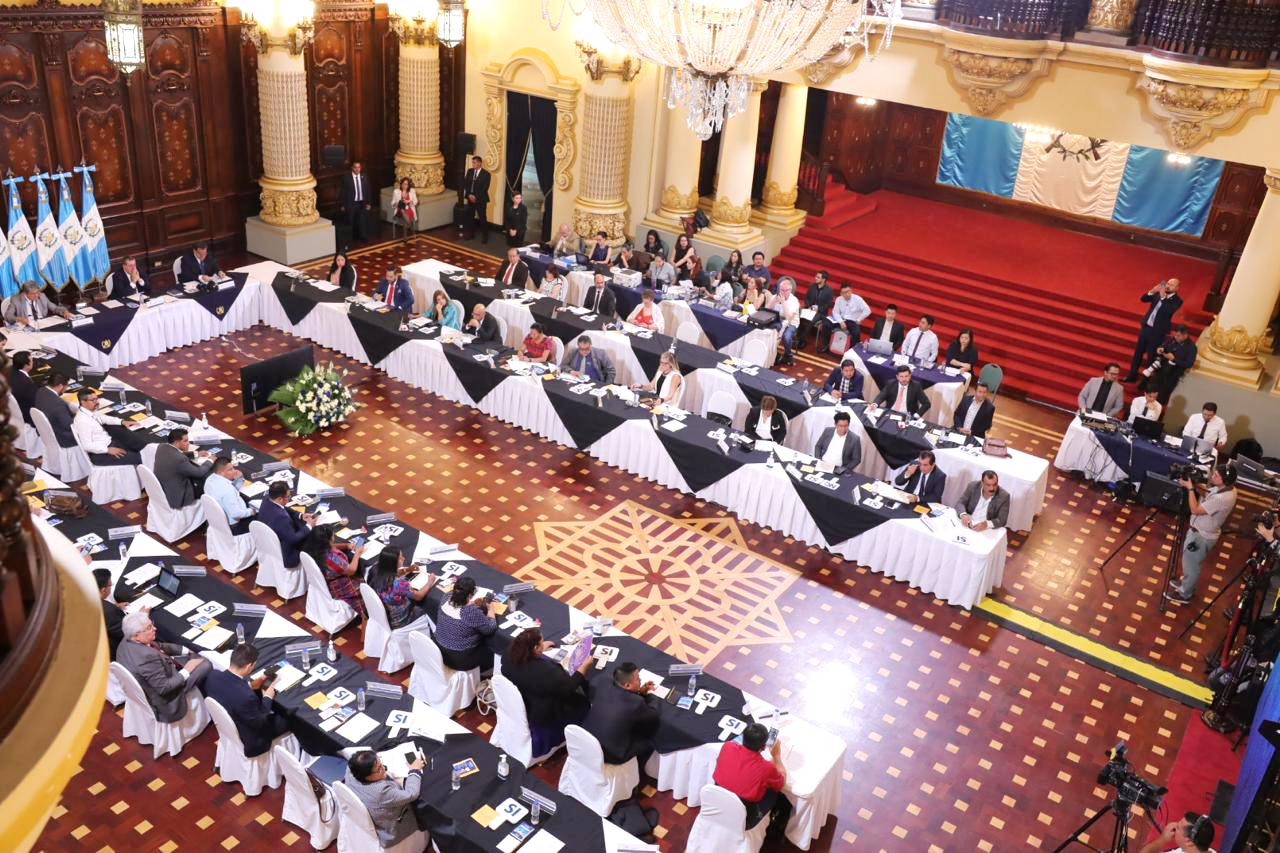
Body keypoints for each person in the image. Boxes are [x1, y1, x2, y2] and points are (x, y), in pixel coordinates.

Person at [502, 627, 591, 751]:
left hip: (524, 700)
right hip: (547, 713)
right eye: (541, 644)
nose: (543, 645)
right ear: (535, 648)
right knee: (583, 703)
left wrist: (540, 649)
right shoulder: (545, 672)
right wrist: (583, 668)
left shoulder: (509, 655)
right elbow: (568, 687)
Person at [116, 611, 212, 722]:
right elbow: (165, 688)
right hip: (168, 698)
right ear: (137, 636)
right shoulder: (145, 658)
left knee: (194, 656)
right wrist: (187, 669)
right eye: (149, 628)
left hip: (159, 675)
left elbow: (158, 646)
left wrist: (185, 650)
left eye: (152, 624)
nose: (155, 628)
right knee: (206, 663)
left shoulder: (127, 639)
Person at [204, 643, 293, 758]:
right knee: (291, 716)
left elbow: (229, 688)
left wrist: (250, 685)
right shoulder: (247, 698)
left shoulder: (213, 676)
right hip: (252, 738)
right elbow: (261, 722)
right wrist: (267, 697)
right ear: (248, 666)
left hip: (229, 724)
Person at [1166, 465, 1237, 605]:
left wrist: (1190, 489)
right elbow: (1207, 494)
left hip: (1201, 536)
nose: (1212, 476)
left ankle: (1185, 594)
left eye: (1216, 475)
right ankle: (1187, 584)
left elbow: (1195, 509)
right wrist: (1195, 485)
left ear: (1225, 480)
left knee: (1191, 566)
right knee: (1189, 563)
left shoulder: (1222, 498)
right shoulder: (1228, 489)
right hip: (1201, 531)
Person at [712, 722, 793, 835]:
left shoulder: (727, 746)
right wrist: (776, 756)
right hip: (744, 818)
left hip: (715, 803)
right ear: (763, 747)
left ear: (743, 738)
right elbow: (781, 783)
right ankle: (776, 829)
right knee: (778, 794)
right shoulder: (766, 768)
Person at [582, 661, 660, 767]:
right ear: (627, 685)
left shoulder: (603, 683)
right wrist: (650, 694)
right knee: (651, 740)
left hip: (586, 740)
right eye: (638, 679)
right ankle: (643, 769)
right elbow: (654, 715)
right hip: (610, 754)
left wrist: (639, 692)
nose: (640, 680)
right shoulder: (636, 702)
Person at [343, 750, 425, 848]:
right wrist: (414, 770)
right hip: (396, 828)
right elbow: (412, 793)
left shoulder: (351, 770)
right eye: (379, 769)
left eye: (380, 763)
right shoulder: (381, 792)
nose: (384, 768)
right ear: (367, 776)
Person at [433, 575, 497, 672]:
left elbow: (458, 607)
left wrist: (472, 603)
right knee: (492, 651)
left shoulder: (446, 597)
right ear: (470, 595)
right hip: (459, 659)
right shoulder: (469, 612)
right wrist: (490, 609)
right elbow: (490, 629)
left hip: (439, 651)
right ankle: (485, 673)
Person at [73, 388, 153, 464]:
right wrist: (107, 450)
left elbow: (102, 418)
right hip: (100, 454)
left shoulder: (89, 411)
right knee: (141, 458)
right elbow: (87, 446)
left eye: (97, 398)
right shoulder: (82, 421)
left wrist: (122, 421)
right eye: (93, 400)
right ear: (83, 402)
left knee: (140, 450)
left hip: (109, 443)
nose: (96, 402)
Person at [1124, 278, 1183, 382]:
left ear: (1177, 288)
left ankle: (1145, 381)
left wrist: (1163, 297)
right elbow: (1143, 299)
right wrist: (1152, 291)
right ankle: (1132, 376)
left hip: (1158, 332)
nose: (1168, 286)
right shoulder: (1159, 292)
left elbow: (1168, 311)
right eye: (1168, 283)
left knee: (1151, 356)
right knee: (1138, 353)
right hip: (1146, 327)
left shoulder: (1177, 301)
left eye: (1172, 285)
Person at [366, 546, 434, 629]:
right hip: (399, 620)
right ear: (393, 563)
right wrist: (430, 581)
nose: (404, 558)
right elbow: (419, 596)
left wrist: (409, 570)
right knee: (429, 608)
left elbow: (393, 572)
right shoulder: (399, 583)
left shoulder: (375, 569)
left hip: (381, 615)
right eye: (400, 558)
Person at [303, 524, 363, 615]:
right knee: (366, 586)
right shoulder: (333, 559)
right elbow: (351, 570)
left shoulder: (313, 547)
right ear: (328, 540)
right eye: (333, 535)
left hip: (325, 580)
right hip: (340, 586)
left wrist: (347, 546)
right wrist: (357, 554)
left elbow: (332, 546)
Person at [257, 481, 315, 569]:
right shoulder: (281, 518)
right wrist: (309, 526)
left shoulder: (267, 499)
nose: (290, 498)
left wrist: (300, 515)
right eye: (288, 497)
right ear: (280, 499)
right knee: (314, 540)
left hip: (268, 544)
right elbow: (293, 539)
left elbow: (283, 508)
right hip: (287, 555)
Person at [154, 428, 214, 508]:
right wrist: (210, 461)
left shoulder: (162, 447)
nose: (188, 443)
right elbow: (198, 473)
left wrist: (196, 454)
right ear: (177, 442)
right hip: (179, 496)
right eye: (185, 441)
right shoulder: (179, 459)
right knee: (208, 481)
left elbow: (176, 454)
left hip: (166, 487)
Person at [1143, 324, 1198, 406]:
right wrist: (1160, 348)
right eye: (1175, 335)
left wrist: (1174, 359)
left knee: (1162, 396)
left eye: (1178, 336)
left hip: (1172, 375)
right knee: (1151, 390)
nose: (1176, 337)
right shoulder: (1172, 340)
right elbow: (1164, 346)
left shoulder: (1191, 348)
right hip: (1160, 370)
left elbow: (1189, 364)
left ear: (1185, 335)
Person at [204, 456, 255, 535]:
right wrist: (251, 512)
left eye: (233, 468)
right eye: (230, 470)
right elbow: (236, 514)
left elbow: (233, 490)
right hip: (234, 527)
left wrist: (239, 479)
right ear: (221, 473)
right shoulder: (228, 490)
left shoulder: (209, 479)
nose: (234, 471)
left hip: (216, 520)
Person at [819, 284, 870, 353]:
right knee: (826, 324)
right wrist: (841, 321)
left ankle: (851, 351)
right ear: (841, 294)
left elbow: (867, 310)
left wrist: (859, 319)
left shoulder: (858, 299)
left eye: (848, 291)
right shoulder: (839, 299)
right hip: (840, 319)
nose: (847, 294)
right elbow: (835, 312)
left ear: (851, 291)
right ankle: (826, 345)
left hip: (852, 321)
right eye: (845, 292)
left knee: (856, 332)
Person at [34, 371, 76, 449]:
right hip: (63, 438)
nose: (65, 389)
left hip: (47, 432)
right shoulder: (58, 404)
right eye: (66, 386)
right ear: (60, 386)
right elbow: (70, 425)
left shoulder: (41, 391)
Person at [1137, 812, 1216, 853]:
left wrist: (1162, 839)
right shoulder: (1210, 851)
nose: (1173, 825)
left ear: (1189, 841)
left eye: (1178, 828)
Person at [794, 271, 834, 352]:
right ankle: (797, 337)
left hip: (820, 312)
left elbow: (829, 304)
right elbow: (806, 298)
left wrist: (819, 309)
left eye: (818, 277)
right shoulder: (812, 286)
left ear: (823, 280)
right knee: (799, 316)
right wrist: (809, 306)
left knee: (810, 321)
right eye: (816, 276)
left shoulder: (829, 290)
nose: (815, 278)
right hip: (809, 309)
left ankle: (801, 340)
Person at [4, 280, 69, 325]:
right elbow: (8, 316)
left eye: (37, 292)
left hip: (43, 324)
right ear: (25, 293)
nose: (36, 295)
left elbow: (54, 308)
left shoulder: (42, 296)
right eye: (33, 294)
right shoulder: (16, 300)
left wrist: (64, 312)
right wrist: (19, 319)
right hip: (28, 326)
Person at [339, 161, 373, 244]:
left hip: (362, 203)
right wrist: (343, 205)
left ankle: (363, 237)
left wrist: (369, 203)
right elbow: (343, 192)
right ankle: (349, 240)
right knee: (350, 221)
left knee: (363, 221)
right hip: (351, 203)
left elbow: (368, 190)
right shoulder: (347, 178)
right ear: (352, 168)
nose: (357, 169)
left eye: (359, 167)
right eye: (355, 167)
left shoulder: (364, 176)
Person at [93, 567, 124, 659]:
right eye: (110, 585)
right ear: (103, 590)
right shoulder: (109, 611)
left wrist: (115, 606)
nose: (111, 587)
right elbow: (127, 633)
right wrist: (143, 615)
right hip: (115, 651)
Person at [772, 277, 801, 366]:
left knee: (786, 336)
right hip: (778, 320)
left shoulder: (794, 300)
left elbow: (788, 317)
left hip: (791, 323)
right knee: (769, 331)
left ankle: (788, 355)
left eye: (786, 290)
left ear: (790, 290)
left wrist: (783, 302)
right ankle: (773, 353)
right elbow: (767, 308)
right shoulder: (776, 296)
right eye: (782, 290)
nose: (783, 292)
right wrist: (774, 300)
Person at [462, 155, 491, 243]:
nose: (473, 164)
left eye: (474, 163)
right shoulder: (470, 171)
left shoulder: (486, 174)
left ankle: (485, 236)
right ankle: (470, 234)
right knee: (470, 217)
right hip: (470, 198)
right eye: (472, 162)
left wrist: (476, 197)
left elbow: (485, 188)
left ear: (479, 163)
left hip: (481, 199)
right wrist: (469, 195)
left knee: (482, 218)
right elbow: (466, 184)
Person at [9, 351, 36, 423]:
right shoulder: (28, 385)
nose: (33, 362)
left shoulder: (9, 370)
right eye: (32, 360)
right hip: (25, 417)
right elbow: (33, 405)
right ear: (26, 365)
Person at [391, 177, 417, 242]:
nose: (405, 186)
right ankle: (412, 229)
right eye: (403, 184)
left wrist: (409, 202)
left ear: (408, 185)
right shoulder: (396, 191)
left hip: (409, 208)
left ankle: (405, 237)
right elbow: (392, 202)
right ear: (401, 184)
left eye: (406, 184)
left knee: (406, 217)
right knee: (402, 210)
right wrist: (396, 203)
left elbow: (415, 201)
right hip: (399, 210)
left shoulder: (412, 191)